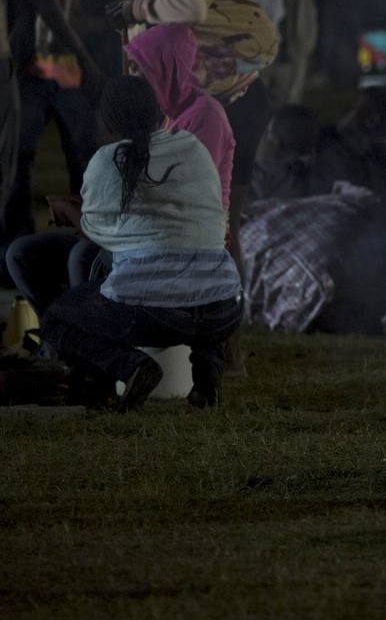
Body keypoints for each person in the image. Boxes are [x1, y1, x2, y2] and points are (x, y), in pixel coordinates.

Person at [38, 76, 241, 410]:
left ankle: (131, 366)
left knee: (57, 321)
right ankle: (207, 380)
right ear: (157, 109)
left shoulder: (109, 159)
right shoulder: (192, 148)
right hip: (224, 309)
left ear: (109, 119)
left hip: (156, 315)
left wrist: (67, 211)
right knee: (198, 274)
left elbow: (96, 230)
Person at [0, 0, 104, 251]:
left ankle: (85, 247)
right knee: (16, 163)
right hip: (32, 70)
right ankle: (17, 243)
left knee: (83, 163)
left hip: (77, 74)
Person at [125, 23, 236, 213]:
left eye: (139, 66)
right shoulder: (170, 114)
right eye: (130, 66)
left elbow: (186, 192)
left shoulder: (206, 115)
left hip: (195, 234)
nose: (130, 74)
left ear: (164, 67)